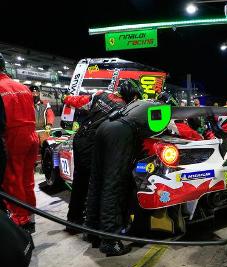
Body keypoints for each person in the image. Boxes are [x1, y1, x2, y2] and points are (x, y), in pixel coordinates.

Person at [85, 99, 163, 256]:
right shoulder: (160, 109)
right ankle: (110, 240)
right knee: (114, 185)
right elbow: (159, 132)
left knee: (97, 181)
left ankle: (91, 230)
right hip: (120, 133)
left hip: (105, 126)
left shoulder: (140, 103)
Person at [63, 79, 144, 229]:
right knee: (96, 183)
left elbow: (80, 101)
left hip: (80, 139)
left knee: (80, 180)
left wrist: (66, 98)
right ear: (131, 94)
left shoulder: (100, 94)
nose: (135, 100)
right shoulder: (124, 108)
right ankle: (94, 226)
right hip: (94, 144)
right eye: (135, 96)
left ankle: (73, 220)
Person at [0, 53, 39, 233]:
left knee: (12, 181)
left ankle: (20, 222)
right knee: (27, 180)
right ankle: (30, 219)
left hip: (12, 137)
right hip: (31, 136)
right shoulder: (23, 87)